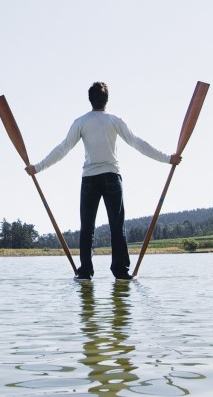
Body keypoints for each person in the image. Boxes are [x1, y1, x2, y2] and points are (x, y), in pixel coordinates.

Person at [26, 82, 181, 281]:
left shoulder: (81, 122)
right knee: (117, 225)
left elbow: (62, 149)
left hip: (90, 179)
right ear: (107, 100)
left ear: (90, 100)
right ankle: (121, 272)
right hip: (111, 177)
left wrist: (37, 167)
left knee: (87, 226)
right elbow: (138, 143)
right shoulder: (114, 120)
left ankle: (85, 272)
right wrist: (168, 158)